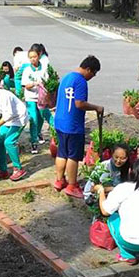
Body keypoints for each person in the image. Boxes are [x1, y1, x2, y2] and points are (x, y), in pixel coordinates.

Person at [93, 160, 139, 265]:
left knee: (113, 218)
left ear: (130, 171)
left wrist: (101, 191)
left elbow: (105, 211)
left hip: (131, 241)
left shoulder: (122, 188)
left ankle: (127, 255)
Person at [54, 55, 104, 198]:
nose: (92, 77)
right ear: (88, 69)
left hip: (60, 121)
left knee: (62, 152)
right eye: (93, 74)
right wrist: (96, 108)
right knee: (73, 156)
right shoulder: (81, 81)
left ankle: (59, 180)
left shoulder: (66, 77)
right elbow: (79, 103)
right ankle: (72, 185)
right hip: (73, 124)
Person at [21, 45, 53, 154]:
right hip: (31, 98)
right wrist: (35, 83)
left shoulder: (44, 69)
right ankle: (33, 142)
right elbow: (25, 85)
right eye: (30, 57)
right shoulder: (27, 70)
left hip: (41, 97)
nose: (33, 59)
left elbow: (48, 82)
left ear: (39, 56)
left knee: (41, 117)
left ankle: (44, 133)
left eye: (34, 56)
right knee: (33, 119)